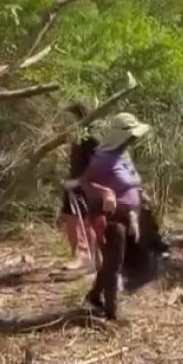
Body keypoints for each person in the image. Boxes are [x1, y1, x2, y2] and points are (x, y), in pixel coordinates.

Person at [69, 112, 151, 321]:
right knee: (114, 264)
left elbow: (131, 180)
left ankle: (95, 296)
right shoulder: (103, 159)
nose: (134, 139)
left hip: (128, 215)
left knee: (113, 262)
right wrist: (105, 192)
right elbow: (84, 183)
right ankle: (112, 312)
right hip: (109, 218)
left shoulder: (124, 155)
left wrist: (140, 196)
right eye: (131, 135)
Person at [59, 102, 100, 270]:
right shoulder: (77, 138)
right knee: (71, 219)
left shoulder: (90, 140)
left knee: (84, 221)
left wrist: (79, 182)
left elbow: (95, 166)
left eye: (72, 117)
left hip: (84, 185)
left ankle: (88, 257)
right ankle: (79, 255)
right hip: (72, 184)